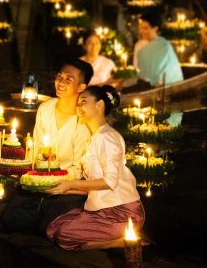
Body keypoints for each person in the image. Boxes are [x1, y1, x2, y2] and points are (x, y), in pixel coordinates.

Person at [46, 85, 144, 251]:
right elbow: (92, 187)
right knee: (52, 229)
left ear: (99, 105)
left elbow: (110, 182)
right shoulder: (96, 137)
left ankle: (123, 241)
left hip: (121, 212)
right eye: (77, 104)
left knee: (64, 236)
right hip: (100, 210)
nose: (78, 108)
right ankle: (116, 237)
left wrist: (72, 184)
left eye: (83, 102)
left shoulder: (107, 137)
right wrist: (60, 187)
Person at [0, 58, 93, 235]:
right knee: (10, 218)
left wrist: (55, 180)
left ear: (81, 87)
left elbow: (79, 168)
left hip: (69, 185)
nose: (61, 82)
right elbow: (36, 148)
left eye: (69, 79)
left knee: (48, 223)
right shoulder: (45, 108)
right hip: (41, 178)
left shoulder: (84, 119)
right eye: (59, 77)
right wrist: (39, 175)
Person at [136, 11, 183, 86]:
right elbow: (138, 70)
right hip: (145, 84)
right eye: (140, 28)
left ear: (155, 28)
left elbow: (166, 70)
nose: (141, 31)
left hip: (167, 85)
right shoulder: (140, 45)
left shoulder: (164, 45)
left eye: (145, 28)